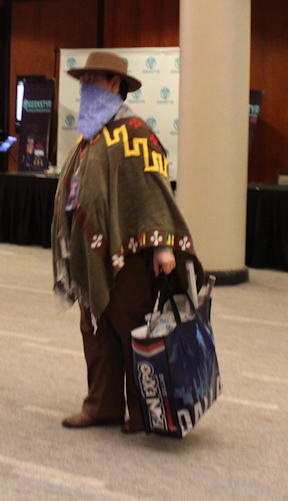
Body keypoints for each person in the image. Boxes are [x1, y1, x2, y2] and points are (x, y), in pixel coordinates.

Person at [52, 51, 201, 433]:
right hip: (93, 254)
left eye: (94, 81)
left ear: (115, 84)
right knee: (96, 332)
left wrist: (163, 246)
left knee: (132, 330)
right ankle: (101, 406)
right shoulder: (92, 133)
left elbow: (153, 188)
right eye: (84, 83)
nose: (86, 89)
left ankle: (142, 410)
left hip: (129, 254)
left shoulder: (135, 131)